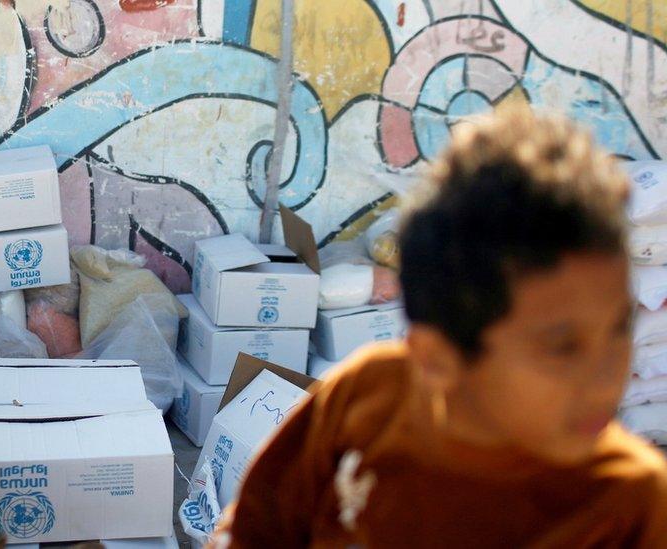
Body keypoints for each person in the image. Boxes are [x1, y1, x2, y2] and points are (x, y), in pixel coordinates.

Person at [209, 106, 667, 548]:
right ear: (436, 357)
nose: (608, 376)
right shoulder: (369, 396)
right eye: (563, 347)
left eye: (620, 329)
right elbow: (254, 530)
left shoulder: (631, 504)